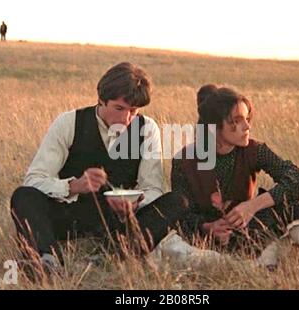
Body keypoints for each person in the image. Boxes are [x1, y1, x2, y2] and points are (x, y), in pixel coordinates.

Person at [10, 62, 188, 274]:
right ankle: (48, 259)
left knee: (177, 202)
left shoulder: (147, 128)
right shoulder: (69, 122)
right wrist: (74, 185)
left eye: (133, 110)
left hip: (120, 221)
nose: (126, 118)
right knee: (23, 196)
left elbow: (153, 188)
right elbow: (34, 179)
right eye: (119, 108)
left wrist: (135, 203)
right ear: (101, 100)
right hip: (72, 212)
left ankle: (113, 255)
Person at [171, 84, 299, 284]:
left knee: (295, 201)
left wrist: (253, 205)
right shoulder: (184, 160)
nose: (247, 126)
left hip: (251, 229)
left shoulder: (255, 150)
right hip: (212, 242)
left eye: (247, 119)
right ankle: (265, 263)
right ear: (215, 127)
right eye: (236, 121)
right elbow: (181, 215)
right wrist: (207, 226)